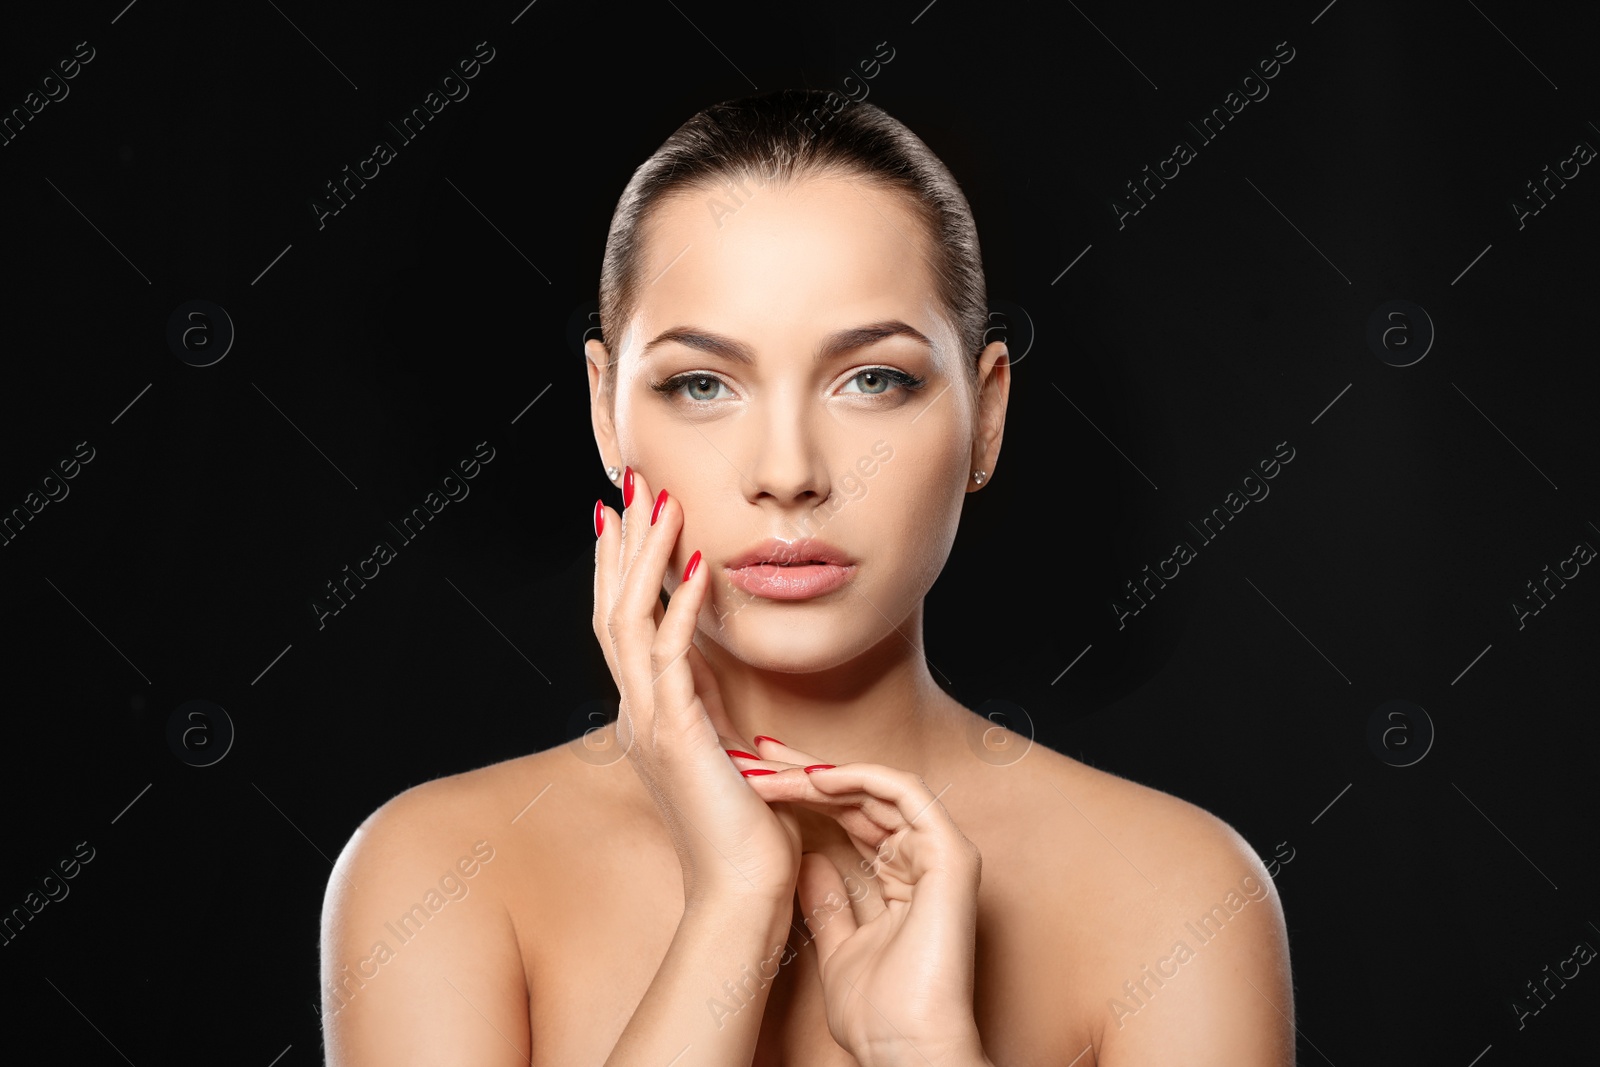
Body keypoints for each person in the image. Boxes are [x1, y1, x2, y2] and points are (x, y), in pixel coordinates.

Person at [318, 88, 1294, 1066]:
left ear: (986, 412)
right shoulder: (436, 872)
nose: (788, 471)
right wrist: (734, 903)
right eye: (702, 383)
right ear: (607, 414)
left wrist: (924, 1050)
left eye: (873, 378)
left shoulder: (1180, 896)